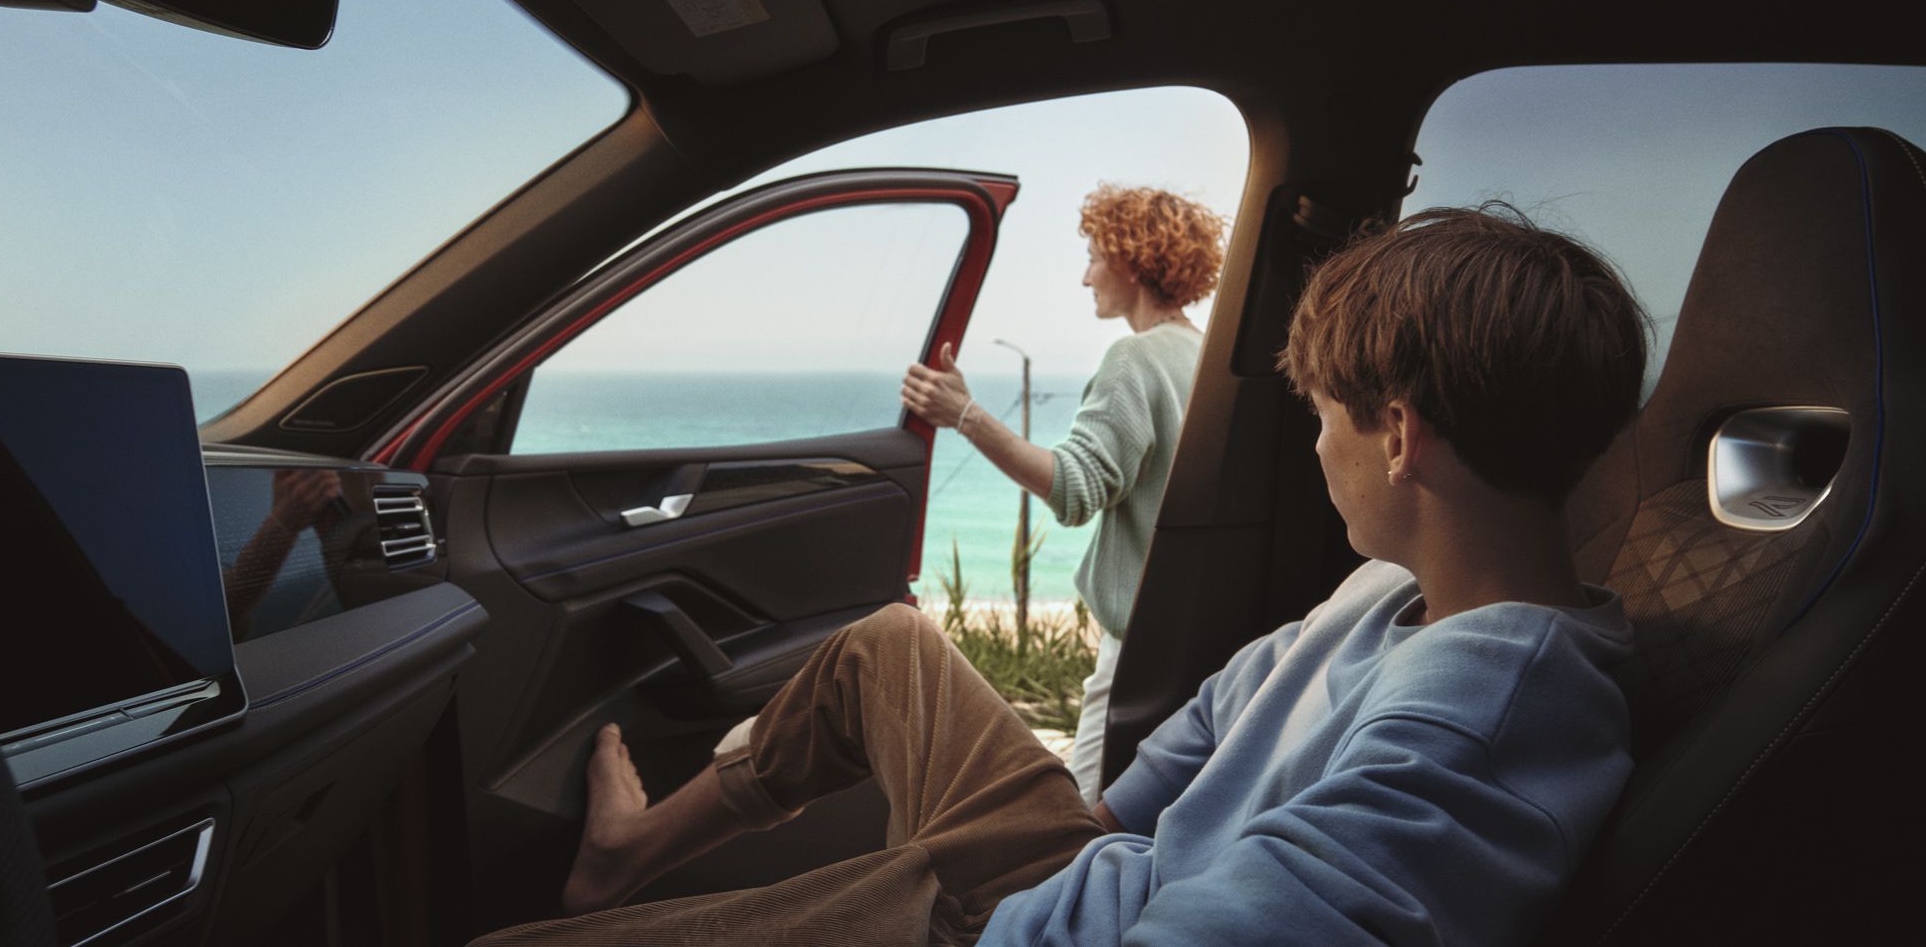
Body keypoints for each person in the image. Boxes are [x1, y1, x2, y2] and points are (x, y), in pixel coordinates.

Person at [474, 204, 1647, 947]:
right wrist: (1029, 835)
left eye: (1329, 419)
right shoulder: (1386, 594)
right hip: (1085, 869)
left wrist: (940, 889)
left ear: (1400, 437)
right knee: (888, 643)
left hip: (1043, 924)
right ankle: (633, 855)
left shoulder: (1493, 710)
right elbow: (1192, 746)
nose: (1316, 445)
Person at [901, 184, 1225, 805]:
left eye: (1095, 256)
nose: (1085, 277)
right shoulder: (1206, 356)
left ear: (1131, 262)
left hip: (1138, 649)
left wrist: (964, 414)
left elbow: (1075, 489)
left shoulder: (1135, 359)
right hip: (1202, 642)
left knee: (1081, 825)